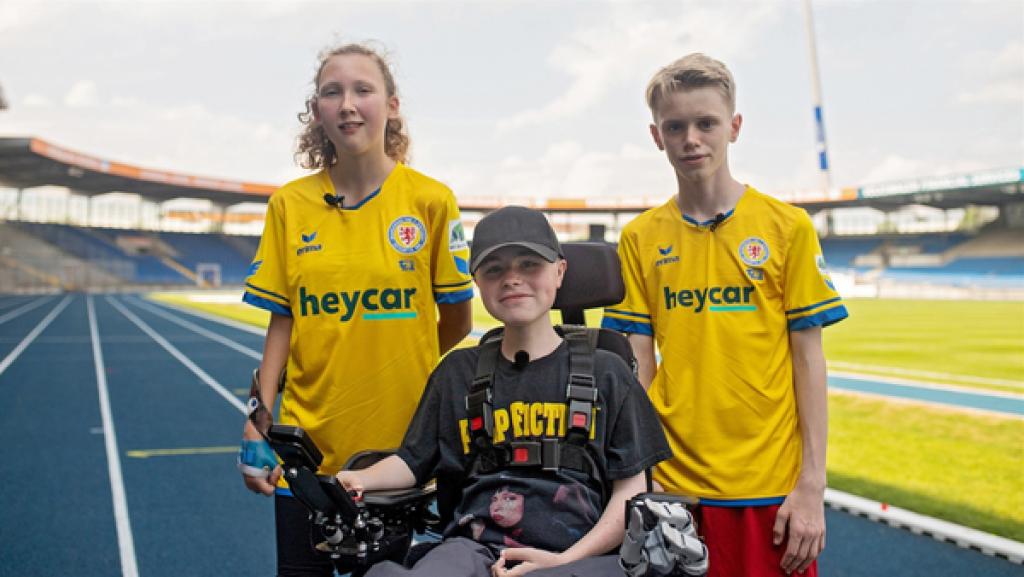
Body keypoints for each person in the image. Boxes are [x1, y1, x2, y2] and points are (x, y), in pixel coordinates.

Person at [602, 53, 849, 577]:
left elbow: (809, 361)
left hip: (772, 486)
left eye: (706, 123)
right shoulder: (640, 238)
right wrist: (640, 477)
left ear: (733, 127)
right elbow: (638, 369)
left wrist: (812, 485)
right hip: (675, 486)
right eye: (676, 126)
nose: (691, 138)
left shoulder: (787, 227)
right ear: (656, 136)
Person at [239, 42, 474, 576]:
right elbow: (283, 320)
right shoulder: (289, 205)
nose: (348, 103)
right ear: (316, 111)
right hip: (307, 449)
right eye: (332, 92)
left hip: (399, 455)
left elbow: (457, 318)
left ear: (391, 105)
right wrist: (257, 422)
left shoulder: (431, 201)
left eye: (362, 89)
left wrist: (401, 358)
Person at [335, 206, 673, 577]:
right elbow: (413, 462)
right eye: (494, 269)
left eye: (530, 264)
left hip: (577, 553)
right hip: (473, 546)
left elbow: (632, 492)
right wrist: (362, 479)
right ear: (477, 282)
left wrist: (564, 560)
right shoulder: (456, 372)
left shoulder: (608, 373)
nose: (512, 278)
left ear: (559, 271)